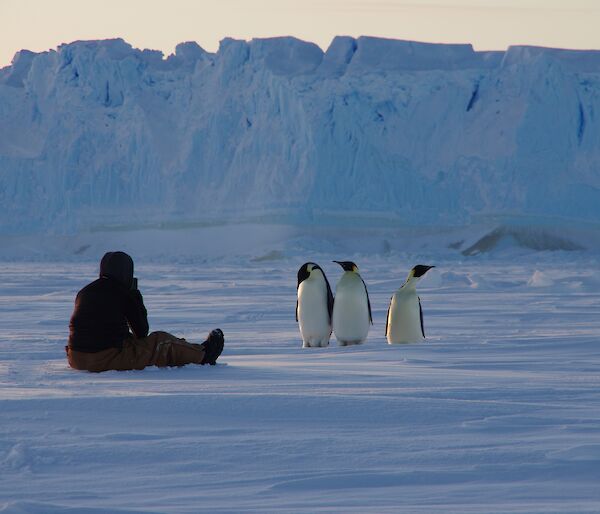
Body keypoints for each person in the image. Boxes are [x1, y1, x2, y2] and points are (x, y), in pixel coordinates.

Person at [66, 251, 224, 372]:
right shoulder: (122, 292)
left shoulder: (85, 291)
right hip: (104, 358)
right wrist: (135, 297)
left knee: (132, 342)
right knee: (162, 341)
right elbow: (141, 332)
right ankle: (204, 356)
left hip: (76, 358)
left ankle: (194, 350)